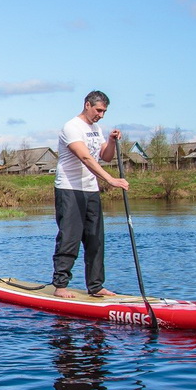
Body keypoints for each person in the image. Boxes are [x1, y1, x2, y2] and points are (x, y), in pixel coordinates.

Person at [52, 91, 129, 299]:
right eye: (98, 110)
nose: (101, 115)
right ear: (87, 105)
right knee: (70, 238)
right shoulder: (71, 127)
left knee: (96, 239)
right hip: (69, 189)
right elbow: (85, 157)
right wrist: (111, 180)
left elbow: (104, 156)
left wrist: (111, 141)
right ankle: (60, 286)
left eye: (104, 111)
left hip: (90, 190)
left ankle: (95, 286)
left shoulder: (96, 128)